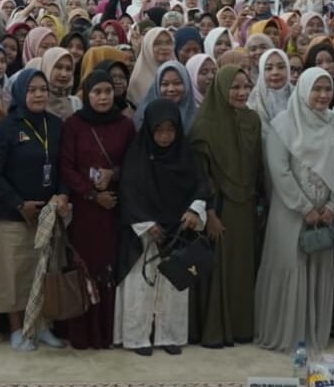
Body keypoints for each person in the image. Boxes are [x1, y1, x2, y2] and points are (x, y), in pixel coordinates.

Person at [255, 67, 334, 352]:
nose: (322, 95)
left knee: (318, 267)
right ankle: (286, 334)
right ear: (304, 89)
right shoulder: (283, 124)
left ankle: (312, 332)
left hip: (325, 213)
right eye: (316, 89)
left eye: (326, 89)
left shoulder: (333, 123)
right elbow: (279, 172)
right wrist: (303, 206)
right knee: (291, 265)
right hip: (291, 212)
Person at [115, 98, 208, 355]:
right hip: (145, 233)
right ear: (149, 129)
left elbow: (201, 185)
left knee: (173, 286)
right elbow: (129, 192)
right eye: (159, 130)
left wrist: (194, 210)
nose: (165, 136)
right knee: (140, 285)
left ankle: (169, 336)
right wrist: (146, 225)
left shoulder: (185, 154)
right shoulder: (138, 153)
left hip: (177, 232)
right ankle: (137, 337)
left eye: (170, 130)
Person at [0, 69, 69, 352]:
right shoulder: (7, 128)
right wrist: (19, 204)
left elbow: (64, 166)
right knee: (15, 274)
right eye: (32, 90)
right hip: (16, 214)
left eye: (42, 89)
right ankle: (17, 329)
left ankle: (43, 326)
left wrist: (62, 195)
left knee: (45, 270)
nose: (38, 94)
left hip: (48, 214)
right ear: (21, 92)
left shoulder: (56, 125)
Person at [56, 71, 134, 349]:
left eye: (108, 91)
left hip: (112, 208)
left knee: (107, 268)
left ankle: (105, 331)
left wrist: (114, 174)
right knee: (83, 267)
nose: (103, 97)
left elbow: (133, 163)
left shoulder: (125, 125)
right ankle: (80, 332)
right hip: (84, 210)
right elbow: (66, 166)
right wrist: (90, 194)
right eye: (97, 92)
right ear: (86, 94)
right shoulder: (74, 124)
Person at [189, 64, 262, 348]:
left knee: (243, 267)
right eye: (235, 87)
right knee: (221, 267)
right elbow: (200, 175)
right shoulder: (204, 125)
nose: (242, 93)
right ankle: (217, 330)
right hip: (219, 209)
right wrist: (209, 213)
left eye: (246, 87)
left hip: (246, 207)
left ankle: (243, 327)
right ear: (221, 88)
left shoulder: (252, 120)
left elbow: (258, 167)